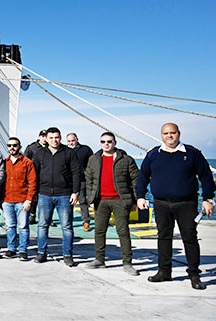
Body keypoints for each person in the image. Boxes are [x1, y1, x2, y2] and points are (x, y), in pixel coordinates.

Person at [136, 123, 215, 290]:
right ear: (161, 135)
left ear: (179, 134)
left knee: (190, 238)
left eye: (172, 133)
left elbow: (206, 176)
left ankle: (194, 274)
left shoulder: (192, 153)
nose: (169, 136)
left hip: (186, 204)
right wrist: (140, 196)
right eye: (166, 133)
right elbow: (143, 176)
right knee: (163, 237)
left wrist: (209, 199)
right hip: (161, 203)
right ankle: (164, 272)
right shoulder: (153, 155)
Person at [84, 132, 140, 276]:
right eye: (103, 141)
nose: (106, 144)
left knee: (123, 231)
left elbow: (136, 181)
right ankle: (99, 260)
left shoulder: (126, 160)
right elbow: (89, 180)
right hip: (101, 201)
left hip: (120, 201)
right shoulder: (94, 159)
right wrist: (91, 199)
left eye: (109, 141)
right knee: (99, 231)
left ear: (115, 142)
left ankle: (127, 263)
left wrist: (134, 200)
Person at [32, 127, 81, 266]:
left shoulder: (69, 153)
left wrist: (75, 192)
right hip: (44, 194)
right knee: (42, 225)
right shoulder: (40, 153)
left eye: (57, 137)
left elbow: (76, 173)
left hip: (64, 195)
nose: (55, 140)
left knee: (67, 226)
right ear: (46, 139)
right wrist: (34, 193)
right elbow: (34, 173)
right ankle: (42, 253)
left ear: (60, 138)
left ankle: (67, 255)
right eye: (51, 137)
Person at [2, 137, 36, 261]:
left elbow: (32, 183)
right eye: (9, 145)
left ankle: (23, 250)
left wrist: (29, 200)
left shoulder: (27, 163)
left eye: (15, 145)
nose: (12, 148)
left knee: (23, 227)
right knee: (10, 226)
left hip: (22, 201)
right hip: (7, 200)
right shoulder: (4, 162)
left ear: (20, 147)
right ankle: (11, 249)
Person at [67, 133, 94, 231]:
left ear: (77, 139)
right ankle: (68, 222)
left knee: (82, 201)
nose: (71, 143)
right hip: (69, 181)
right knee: (68, 202)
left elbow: (93, 161)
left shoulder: (85, 149)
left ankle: (86, 222)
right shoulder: (65, 151)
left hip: (82, 180)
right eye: (69, 141)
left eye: (73, 141)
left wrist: (87, 170)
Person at [24, 129, 47, 224]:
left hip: (47, 176)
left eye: (46, 136)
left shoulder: (51, 147)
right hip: (34, 176)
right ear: (39, 137)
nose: (44, 138)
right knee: (34, 197)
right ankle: (32, 216)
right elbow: (25, 160)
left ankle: (47, 219)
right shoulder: (32, 147)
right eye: (42, 136)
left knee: (46, 198)